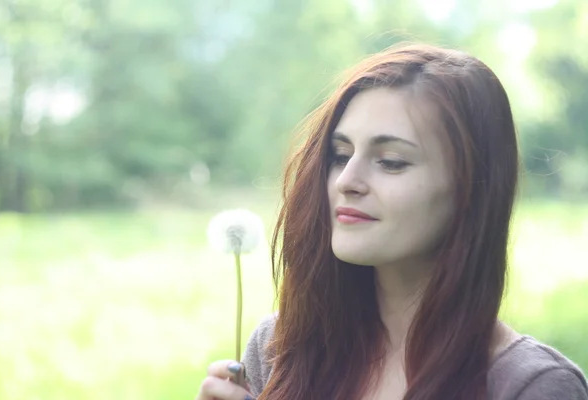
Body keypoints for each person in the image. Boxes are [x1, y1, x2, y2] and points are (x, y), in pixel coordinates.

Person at [195, 43, 588, 400]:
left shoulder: (531, 387)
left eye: (391, 162)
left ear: (471, 190)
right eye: (340, 154)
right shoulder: (278, 348)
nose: (347, 181)